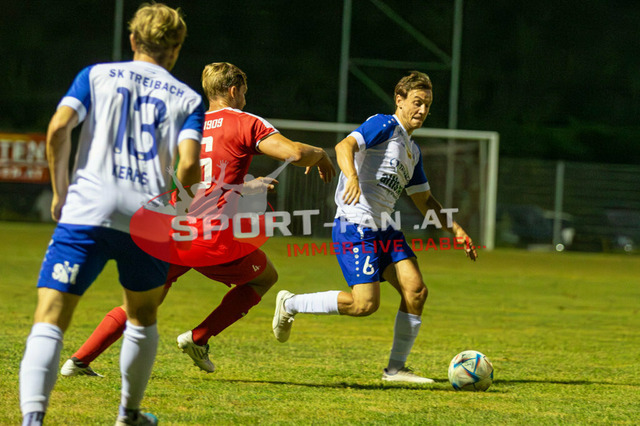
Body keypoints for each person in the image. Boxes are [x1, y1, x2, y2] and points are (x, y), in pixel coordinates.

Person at [59, 62, 336, 377]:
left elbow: (196, 179)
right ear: (234, 90)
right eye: (244, 92)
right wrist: (320, 154)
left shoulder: (190, 124)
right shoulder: (245, 121)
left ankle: (78, 361)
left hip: (172, 228)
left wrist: (245, 187)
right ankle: (198, 338)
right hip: (210, 237)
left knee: (142, 302)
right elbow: (295, 153)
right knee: (264, 278)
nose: (245, 98)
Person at [19, 4, 203, 425]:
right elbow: (190, 164)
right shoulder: (188, 98)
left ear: (133, 39)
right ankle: (128, 414)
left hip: (88, 209)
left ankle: (33, 418)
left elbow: (58, 128)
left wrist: (61, 191)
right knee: (142, 318)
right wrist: (181, 209)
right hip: (148, 218)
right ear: (176, 49)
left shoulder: (96, 75)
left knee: (51, 317)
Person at [272, 71, 478, 384]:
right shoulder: (384, 125)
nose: (422, 110)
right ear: (400, 100)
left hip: (385, 227)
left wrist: (457, 230)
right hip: (355, 224)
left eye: (427, 104)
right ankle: (291, 303)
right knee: (364, 304)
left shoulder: (413, 151)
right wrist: (352, 178)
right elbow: (343, 147)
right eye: (417, 102)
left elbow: (424, 200)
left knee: (416, 291)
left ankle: (396, 369)